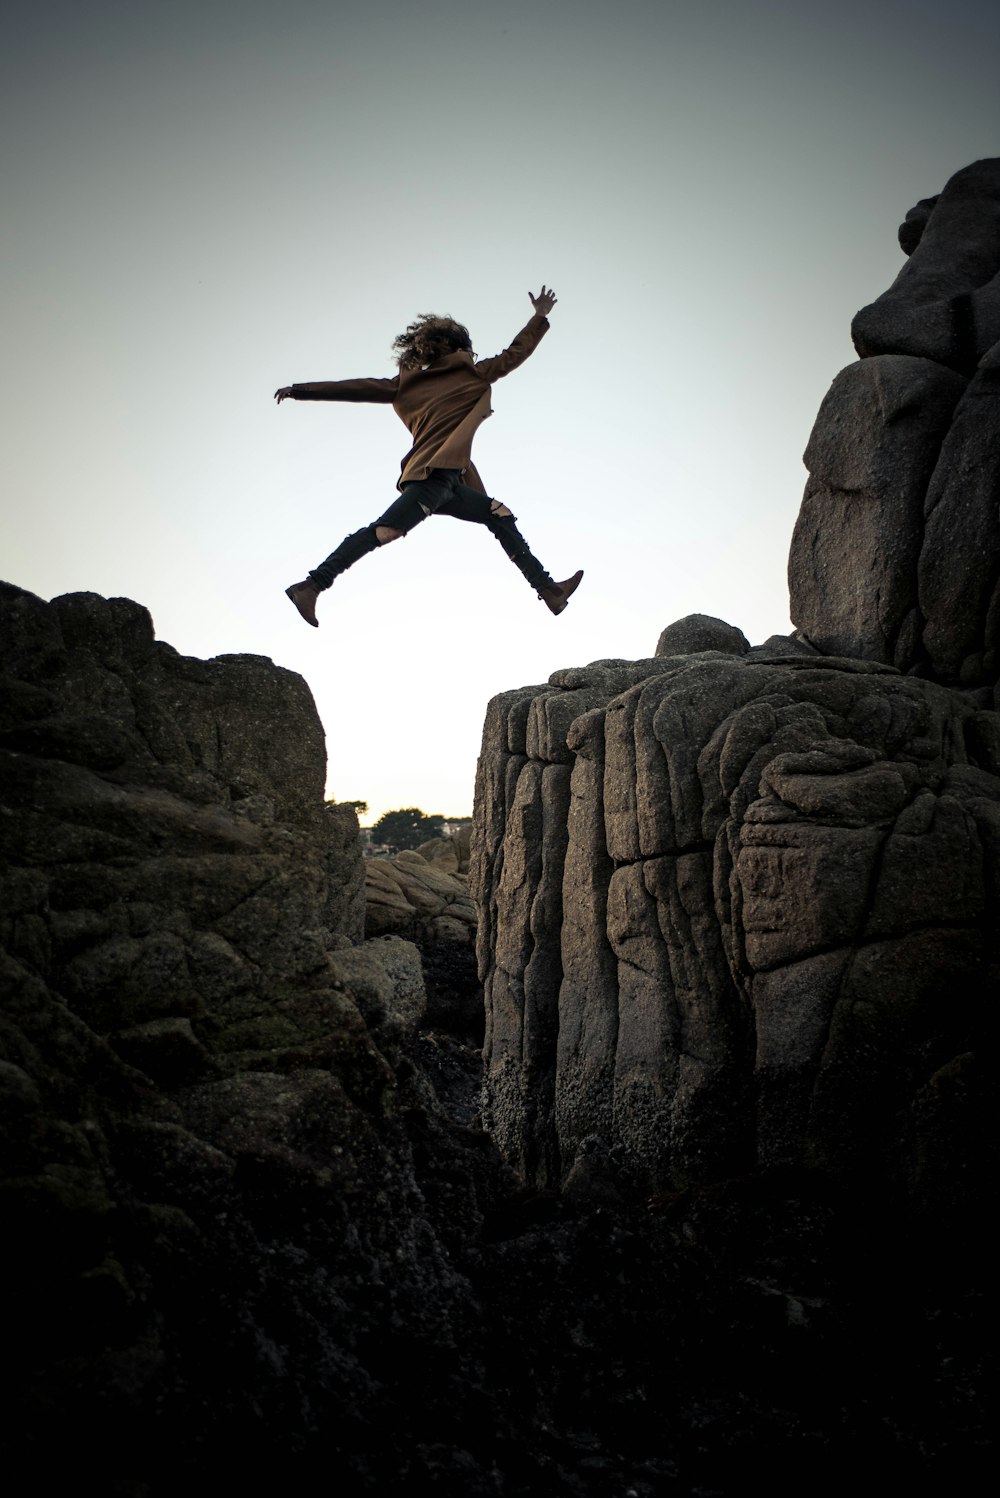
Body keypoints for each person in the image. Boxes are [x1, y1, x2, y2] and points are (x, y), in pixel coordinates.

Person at [276, 286, 582, 627]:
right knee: (385, 531)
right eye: (469, 347)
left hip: (450, 480)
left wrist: (302, 390)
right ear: (458, 348)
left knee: (499, 515)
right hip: (431, 478)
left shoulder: (406, 384)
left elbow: (355, 386)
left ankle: (549, 590)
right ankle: (312, 585)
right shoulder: (472, 373)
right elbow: (515, 353)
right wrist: (539, 317)